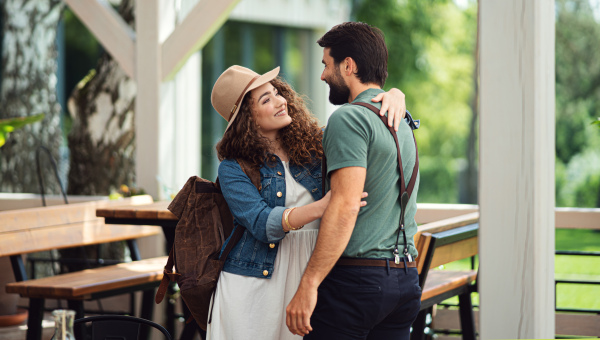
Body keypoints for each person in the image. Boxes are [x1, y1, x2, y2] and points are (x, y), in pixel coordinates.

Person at [206, 64, 413, 340]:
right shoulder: (233, 168)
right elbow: (259, 222)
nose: (281, 101)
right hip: (255, 284)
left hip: (311, 274)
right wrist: (324, 205)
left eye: (277, 93)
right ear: (247, 118)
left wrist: (395, 95)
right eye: (266, 100)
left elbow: (367, 124)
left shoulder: (317, 143)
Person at [286, 22, 421, 340]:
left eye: (326, 64)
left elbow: (345, 204)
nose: (322, 75)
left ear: (348, 65)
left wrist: (309, 283)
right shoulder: (400, 118)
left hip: (357, 284)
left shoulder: (349, 118)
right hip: (404, 280)